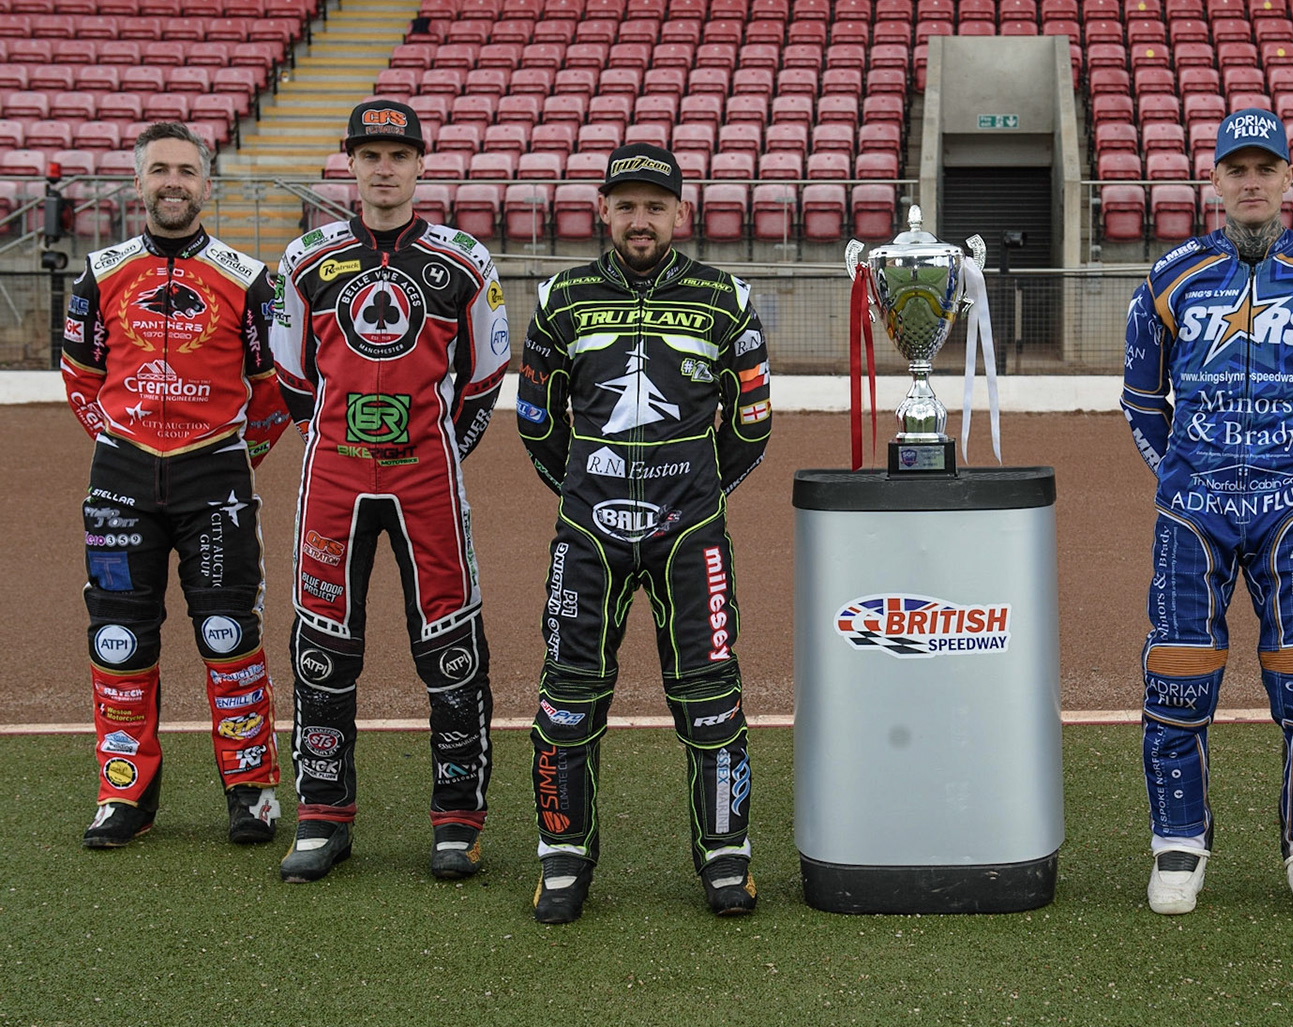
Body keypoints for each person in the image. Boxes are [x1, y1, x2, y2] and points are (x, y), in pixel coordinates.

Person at [1119, 109, 1293, 917]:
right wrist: (1182, 478)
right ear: (1216, 182)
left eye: (1268, 169)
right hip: (1191, 515)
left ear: (1290, 179)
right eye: (1238, 169)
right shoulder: (1170, 277)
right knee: (1178, 681)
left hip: (1291, 513)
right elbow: (1139, 400)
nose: (1253, 182)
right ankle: (1180, 845)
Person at [516, 143, 773, 924]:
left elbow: (753, 424)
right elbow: (536, 423)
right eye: (625, 205)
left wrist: (694, 496)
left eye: (654, 206)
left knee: (711, 698)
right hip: (585, 538)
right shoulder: (561, 299)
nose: (639, 220)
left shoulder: (725, 298)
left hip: (690, 536)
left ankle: (725, 854)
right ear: (603, 210)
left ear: (680, 215)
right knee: (567, 697)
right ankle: (563, 856)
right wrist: (588, 493)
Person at [269, 100, 511, 883]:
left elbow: (484, 377)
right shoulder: (304, 260)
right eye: (369, 154)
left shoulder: (465, 261)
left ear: (418, 165)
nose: (383, 168)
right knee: (323, 645)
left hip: (428, 483)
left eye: (397, 155)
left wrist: (434, 448)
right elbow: (292, 378)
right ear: (350, 164)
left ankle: (456, 820)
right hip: (333, 482)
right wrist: (342, 443)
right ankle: (321, 815)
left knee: (449, 646)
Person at [61, 120, 291, 849]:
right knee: (121, 641)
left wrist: (229, 459)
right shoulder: (98, 274)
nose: (172, 183)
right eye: (159, 170)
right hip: (121, 478)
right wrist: (124, 449)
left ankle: (249, 791)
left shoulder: (248, 278)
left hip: (217, 477)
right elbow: (81, 379)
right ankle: (123, 795)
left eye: (186, 172)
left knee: (229, 638)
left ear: (206, 186)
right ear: (137, 182)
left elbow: (272, 393)